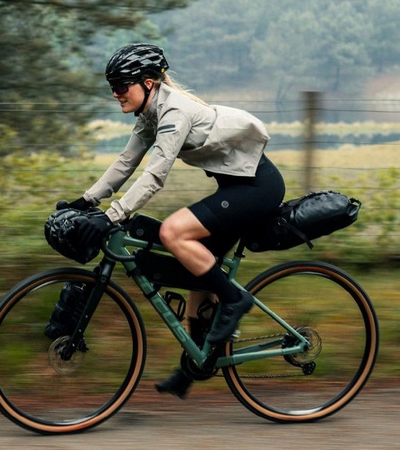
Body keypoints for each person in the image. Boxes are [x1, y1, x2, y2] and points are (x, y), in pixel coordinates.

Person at [58, 43, 285, 398]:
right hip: (236, 187)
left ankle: (235, 301)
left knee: (173, 232)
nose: (115, 93)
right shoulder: (151, 112)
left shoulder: (174, 112)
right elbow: (126, 162)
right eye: (112, 86)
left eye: (121, 85)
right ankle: (192, 368)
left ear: (148, 83)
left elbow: (154, 175)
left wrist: (112, 216)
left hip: (257, 188)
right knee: (198, 273)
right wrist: (87, 199)